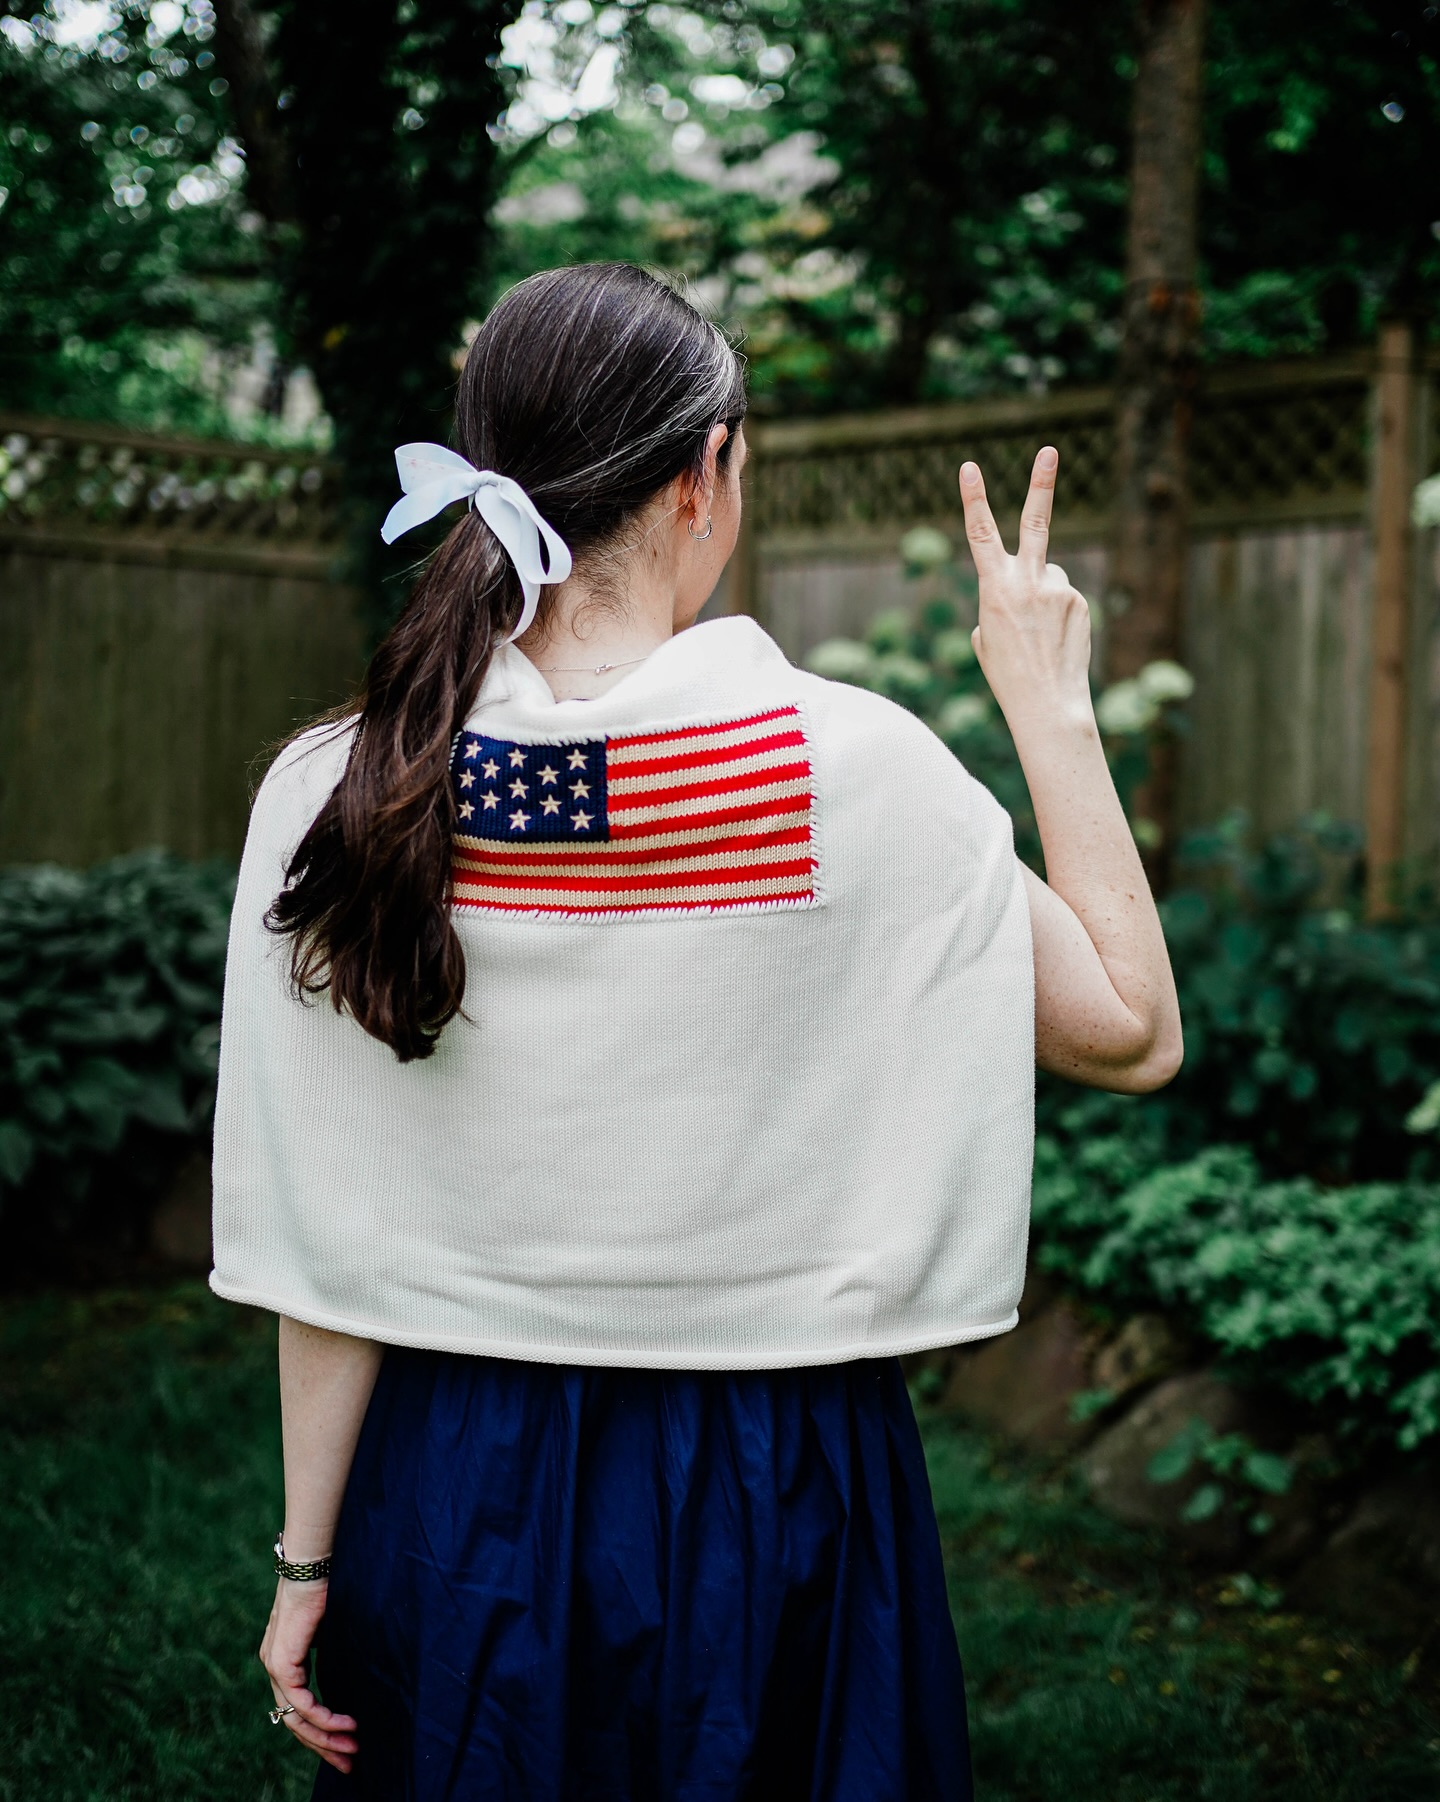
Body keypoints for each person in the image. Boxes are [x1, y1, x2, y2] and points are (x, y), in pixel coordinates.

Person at [210, 261, 1181, 1801]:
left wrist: (305, 1561)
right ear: (703, 475)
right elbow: (1133, 1031)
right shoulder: (857, 773)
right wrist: (1048, 702)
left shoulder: (344, 791)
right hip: (776, 1472)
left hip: (452, 1483)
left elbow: (336, 1240)